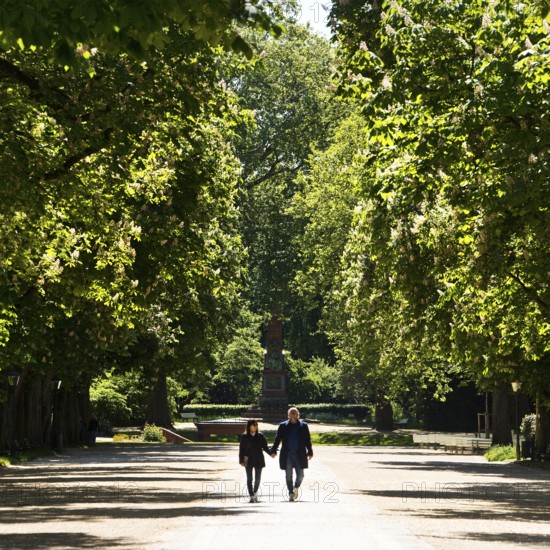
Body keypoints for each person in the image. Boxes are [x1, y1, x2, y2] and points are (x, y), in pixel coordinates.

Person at [270, 407, 313, 501]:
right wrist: (273, 450)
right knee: (288, 475)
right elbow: (278, 439)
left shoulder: (303, 426)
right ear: (288, 415)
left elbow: (307, 440)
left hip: (300, 454)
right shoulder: (283, 425)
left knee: (301, 475)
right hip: (287, 454)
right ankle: (291, 493)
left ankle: (296, 488)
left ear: (298, 414)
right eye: (291, 413)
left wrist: (310, 451)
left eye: (295, 413)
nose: (293, 414)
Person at [239, 419, 271, 503]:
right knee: (249, 478)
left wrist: (271, 453)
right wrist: (241, 460)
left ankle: (255, 492)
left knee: (257, 479)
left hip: (258, 459)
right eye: (254, 425)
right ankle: (251, 495)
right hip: (247, 459)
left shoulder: (260, 435)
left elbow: (265, 447)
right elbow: (241, 449)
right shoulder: (244, 436)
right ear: (249, 426)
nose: (255, 427)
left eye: (256, 425)